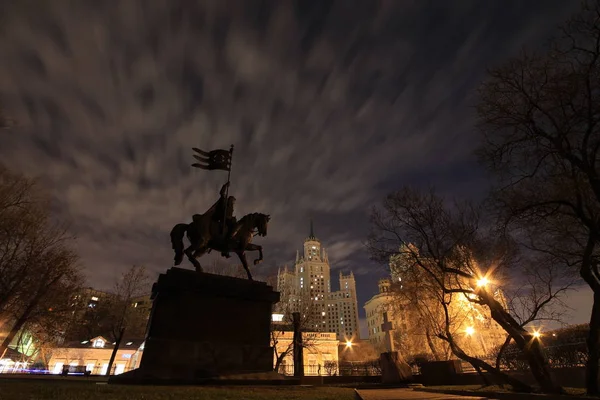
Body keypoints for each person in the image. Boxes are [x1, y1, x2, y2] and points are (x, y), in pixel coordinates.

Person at [208, 181, 237, 258]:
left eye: (233, 202)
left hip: (229, 220)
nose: (233, 203)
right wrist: (225, 185)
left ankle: (229, 242)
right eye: (232, 201)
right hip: (223, 219)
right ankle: (228, 240)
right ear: (230, 200)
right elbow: (221, 193)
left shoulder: (231, 207)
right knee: (232, 228)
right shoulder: (224, 202)